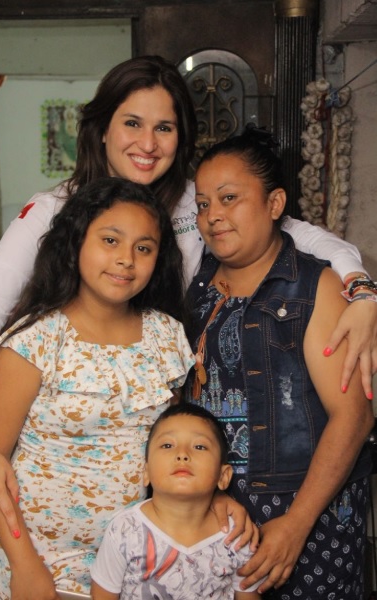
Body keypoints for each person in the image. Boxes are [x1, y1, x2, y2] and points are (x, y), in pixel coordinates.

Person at [0, 55, 376, 540]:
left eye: (164, 128)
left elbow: (300, 233)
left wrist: (362, 292)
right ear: (101, 129)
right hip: (56, 481)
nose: (147, 144)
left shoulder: (198, 204)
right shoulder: (52, 212)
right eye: (132, 123)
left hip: (163, 464)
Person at [184, 125, 375, 599]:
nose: (213, 215)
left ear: (274, 204)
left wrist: (296, 523)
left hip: (309, 514)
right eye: (203, 204)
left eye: (229, 198)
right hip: (216, 511)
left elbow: (353, 416)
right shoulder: (195, 289)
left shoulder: (316, 287)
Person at [0, 177, 196, 598]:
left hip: (137, 561)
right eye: (110, 240)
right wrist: (25, 565)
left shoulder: (168, 337)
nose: (126, 260)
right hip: (41, 563)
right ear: (77, 242)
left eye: (144, 248)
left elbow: (176, 445)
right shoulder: (33, 342)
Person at [90, 403, 262, 600]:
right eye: (167, 445)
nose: (182, 454)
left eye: (199, 446)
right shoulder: (124, 530)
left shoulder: (237, 537)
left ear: (223, 476)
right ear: (146, 472)